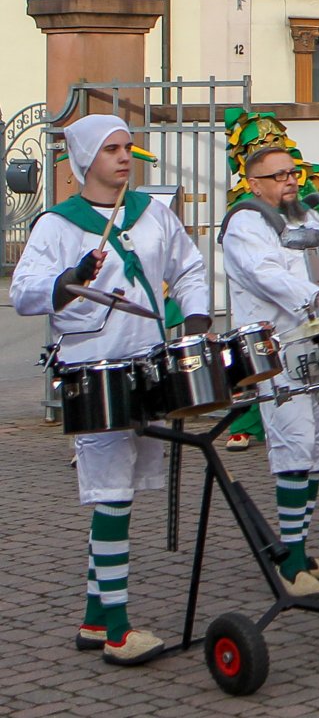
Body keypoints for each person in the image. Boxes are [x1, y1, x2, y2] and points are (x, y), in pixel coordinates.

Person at [11, 114, 210, 666]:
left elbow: (189, 268)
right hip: (92, 368)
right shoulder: (57, 225)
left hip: (149, 361)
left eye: (127, 147)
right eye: (111, 149)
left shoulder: (153, 213)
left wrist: (196, 317)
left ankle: (95, 620)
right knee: (112, 494)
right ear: (84, 161)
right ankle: (119, 631)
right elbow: (24, 292)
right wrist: (67, 279)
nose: (124, 158)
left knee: (122, 491)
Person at [221, 145, 319, 598]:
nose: (290, 181)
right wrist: (318, 300)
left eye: (293, 173)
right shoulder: (245, 225)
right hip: (277, 351)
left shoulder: (311, 218)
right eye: (279, 175)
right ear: (254, 184)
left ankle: (300, 552)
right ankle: (289, 563)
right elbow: (266, 275)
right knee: (295, 445)